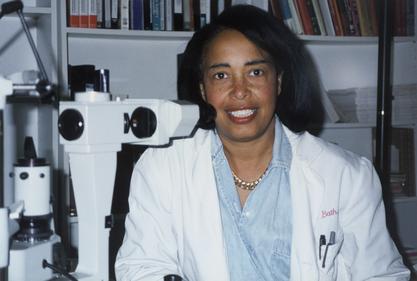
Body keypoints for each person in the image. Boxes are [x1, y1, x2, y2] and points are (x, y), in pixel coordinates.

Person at [115, 5, 410, 281]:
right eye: (221, 75)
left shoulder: (347, 175)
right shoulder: (161, 167)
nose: (240, 91)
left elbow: (381, 275)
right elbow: (142, 267)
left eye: (255, 72)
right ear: (203, 89)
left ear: (278, 81)